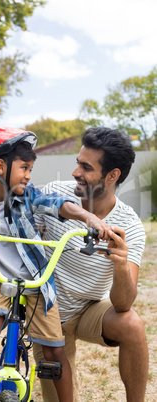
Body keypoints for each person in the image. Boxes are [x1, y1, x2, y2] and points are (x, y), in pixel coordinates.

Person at [0, 127, 111, 402]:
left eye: (30, 168)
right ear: (1, 166)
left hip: (35, 282)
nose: (29, 174)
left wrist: (89, 218)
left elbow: (57, 203)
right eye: (24, 167)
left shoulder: (29, 196)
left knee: (54, 352)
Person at [33, 127, 148, 402]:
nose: (76, 173)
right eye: (77, 163)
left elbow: (123, 304)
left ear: (112, 175)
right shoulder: (55, 195)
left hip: (90, 310)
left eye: (86, 167)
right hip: (50, 312)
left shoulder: (130, 225)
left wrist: (120, 266)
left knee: (131, 324)